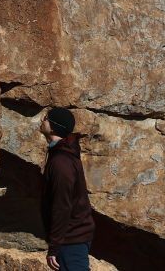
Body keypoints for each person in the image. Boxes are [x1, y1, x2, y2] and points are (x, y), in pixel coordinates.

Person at [39, 107, 96, 271]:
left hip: (71, 239)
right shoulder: (61, 154)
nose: (43, 120)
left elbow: (61, 206)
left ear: (54, 126)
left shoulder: (60, 163)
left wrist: (54, 247)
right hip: (71, 237)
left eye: (46, 118)